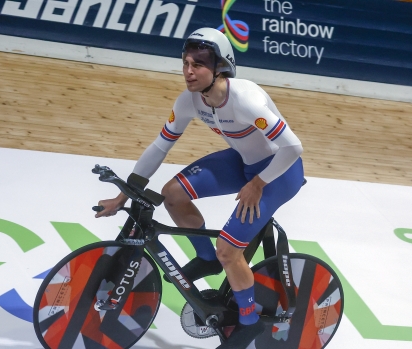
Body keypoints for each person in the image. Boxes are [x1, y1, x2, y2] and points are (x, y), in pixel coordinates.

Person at [96, 27, 305, 349]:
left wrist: (257, 184)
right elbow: (159, 146)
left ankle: (248, 324)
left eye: (198, 65)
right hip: (244, 161)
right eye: (185, 63)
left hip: (278, 174)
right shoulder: (191, 101)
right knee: (172, 194)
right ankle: (205, 258)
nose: (188, 72)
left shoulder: (245, 100)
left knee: (230, 251)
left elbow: (293, 147)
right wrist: (123, 194)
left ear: (219, 67)